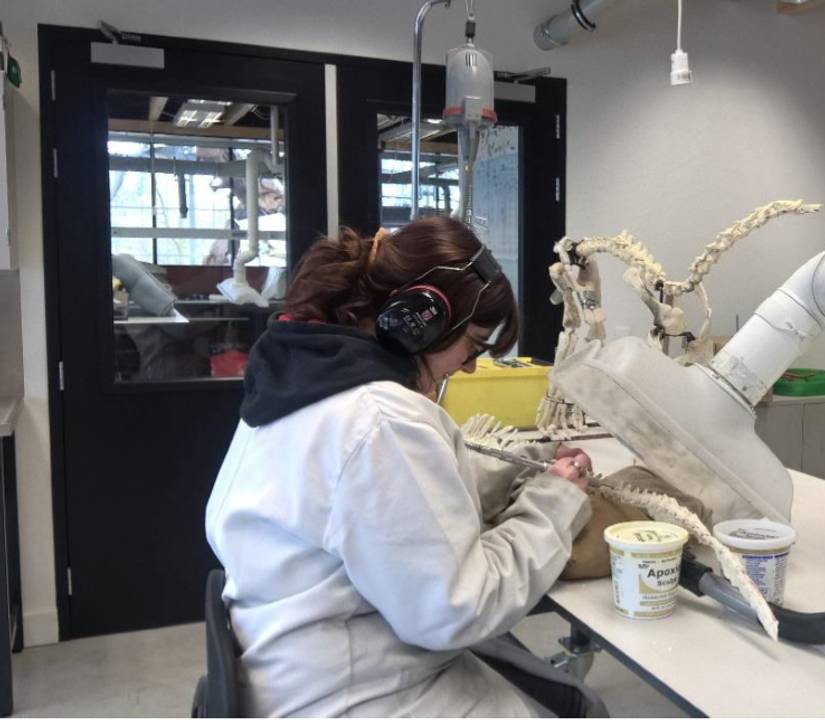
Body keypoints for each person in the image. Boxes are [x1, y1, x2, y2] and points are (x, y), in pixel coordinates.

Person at [205, 216, 596, 717]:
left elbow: (375, 504)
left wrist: (520, 470)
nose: (472, 365)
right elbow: (458, 609)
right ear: (419, 320)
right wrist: (556, 503)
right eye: (472, 345)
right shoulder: (380, 418)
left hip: (294, 668)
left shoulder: (301, 384)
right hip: (355, 696)